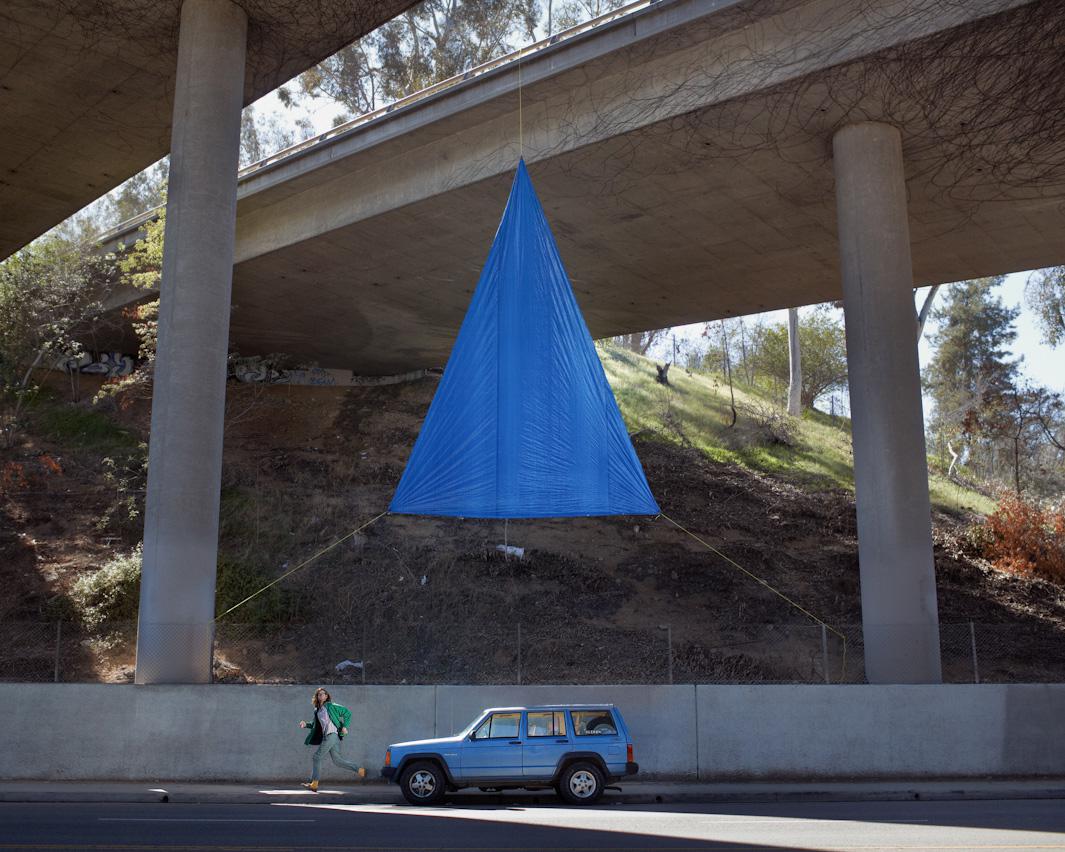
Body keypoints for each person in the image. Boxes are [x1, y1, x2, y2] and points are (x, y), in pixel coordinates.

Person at [298, 687, 366, 791]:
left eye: (323, 694)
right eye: (319, 694)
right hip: (328, 736)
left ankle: (314, 783)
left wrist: (344, 727)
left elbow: (347, 713)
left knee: (317, 757)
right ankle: (360, 770)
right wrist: (305, 724)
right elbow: (314, 725)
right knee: (337, 761)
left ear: (326, 696)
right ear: (317, 697)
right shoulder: (317, 711)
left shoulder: (331, 706)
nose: (321, 695)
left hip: (332, 735)